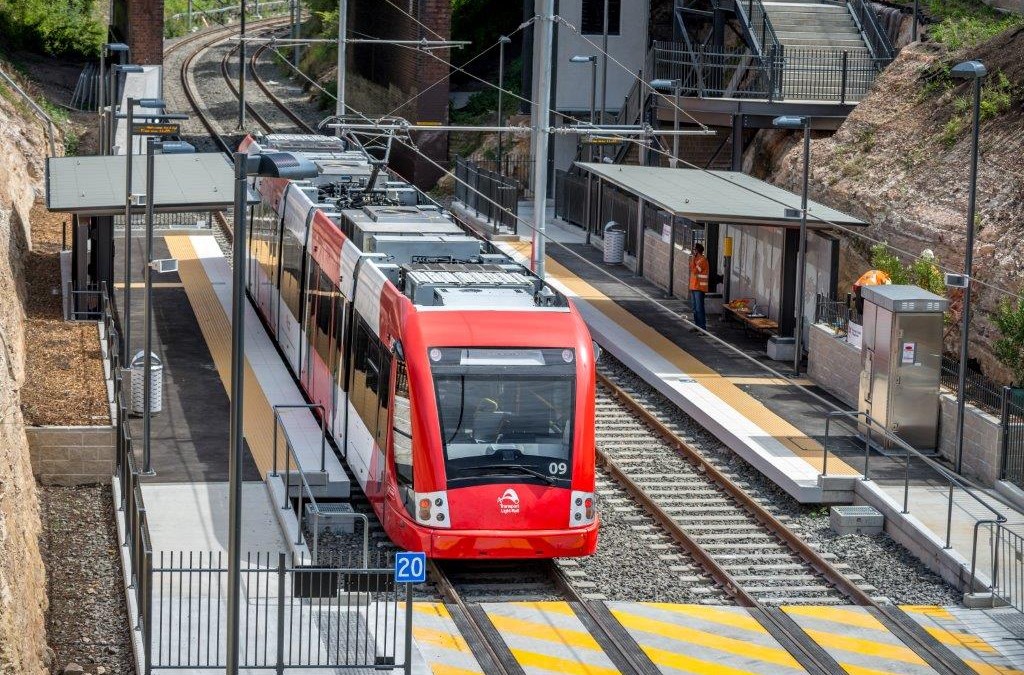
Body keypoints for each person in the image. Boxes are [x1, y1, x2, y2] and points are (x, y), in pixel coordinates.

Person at [689, 243, 710, 332]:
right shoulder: (697, 260)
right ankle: (697, 326)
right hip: (694, 287)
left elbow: (694, 271)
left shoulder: (702, 260)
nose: (693, 251)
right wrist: (693, 259)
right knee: (695, 308)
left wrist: (693, 259)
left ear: (697, 251)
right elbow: (691, 268)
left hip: (699, 288)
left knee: (699, 308)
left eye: (694, 250)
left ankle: (702, 328)